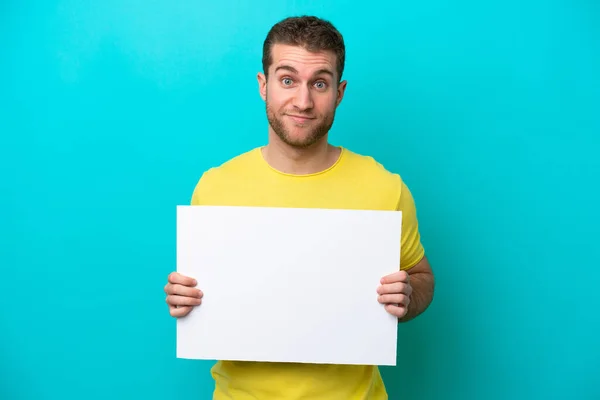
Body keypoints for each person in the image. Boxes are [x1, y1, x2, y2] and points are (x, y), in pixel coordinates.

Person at [163, 15, 435, 400]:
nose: (303, 101)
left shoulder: (384, 188)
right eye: (288, 80)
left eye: (319, 83)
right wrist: (183, 296)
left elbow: (422, 277)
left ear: (339, 92)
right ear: (264, 86)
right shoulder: (215, 187)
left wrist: (407, 295)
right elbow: (198, 292)